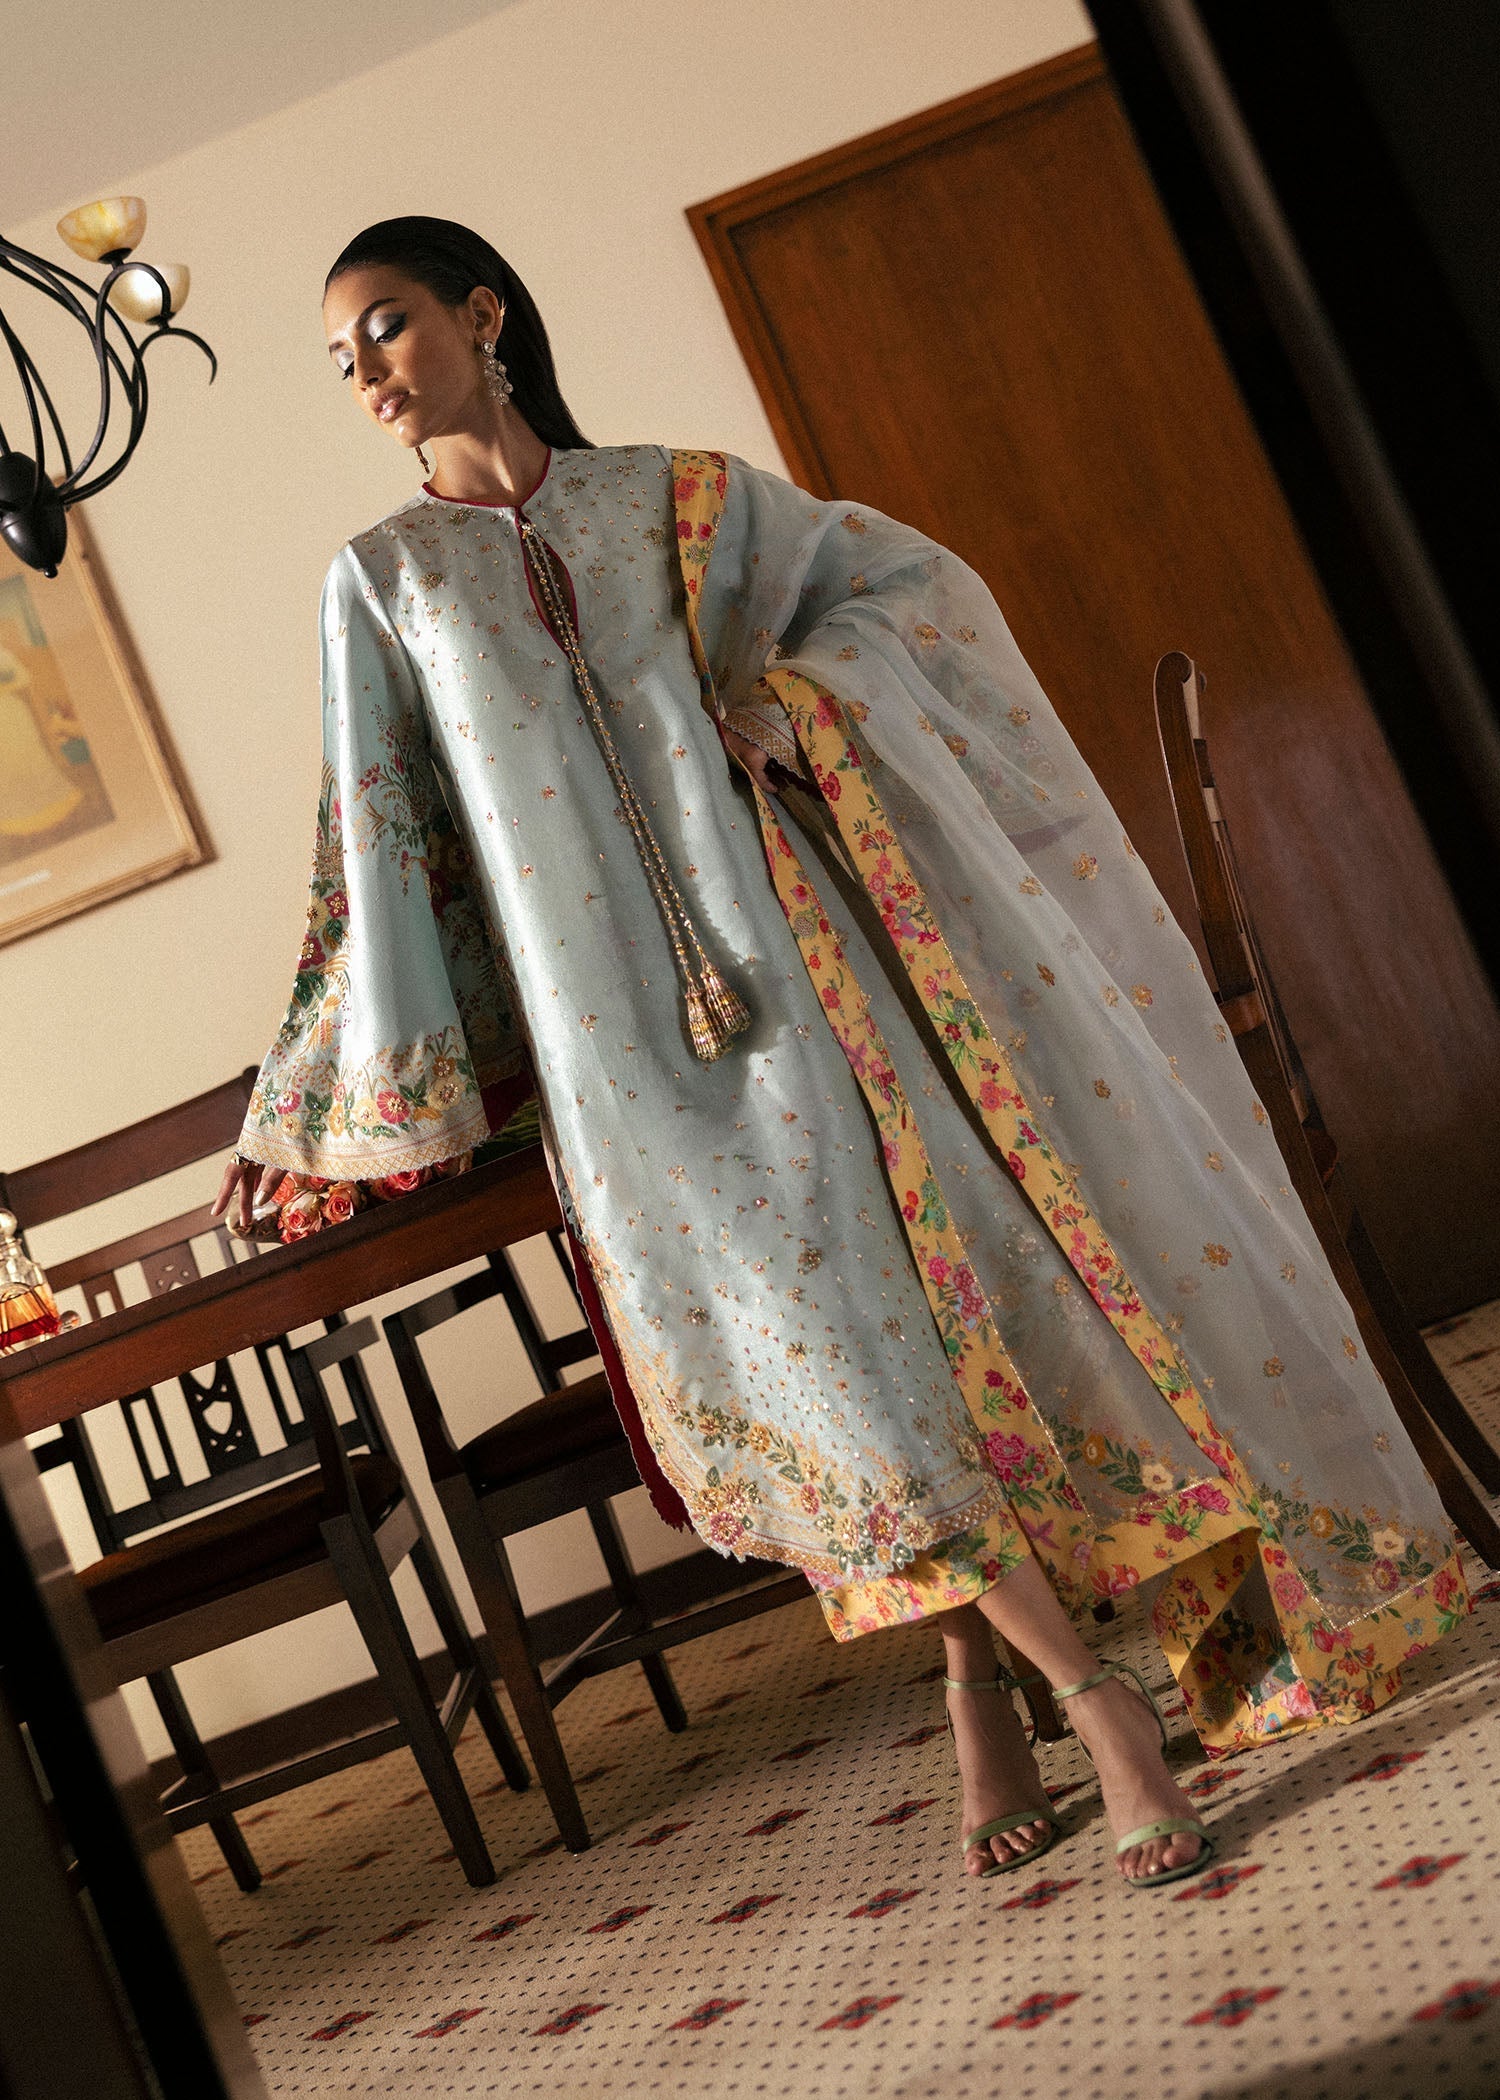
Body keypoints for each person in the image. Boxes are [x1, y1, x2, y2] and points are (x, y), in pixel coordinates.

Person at [214, 217, 1468, 1888]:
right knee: (828, 1368)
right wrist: (320, 1102)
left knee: (933, 1327)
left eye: (384, 324)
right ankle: (1090, 1697)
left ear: (483, 312)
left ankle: (991, 1683)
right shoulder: (379, 583)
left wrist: (797, 703)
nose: (364, 370)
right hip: (624, 1068)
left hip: (821, 983)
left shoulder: (679, 500)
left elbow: (913, 596)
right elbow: (381, 848)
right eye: (339, 355)